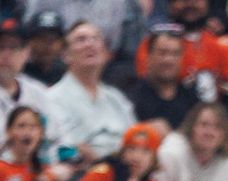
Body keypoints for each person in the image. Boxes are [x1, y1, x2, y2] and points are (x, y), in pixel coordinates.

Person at [47, 21, 136, 163]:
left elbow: (135, 140)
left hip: (124, 168)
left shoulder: (117, 98)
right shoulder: (53, 99)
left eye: (96, 39)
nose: (90, 44)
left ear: (106, 53)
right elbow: (65, 149)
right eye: (81, 40)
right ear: (65, 54)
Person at [134, 0, 221, 103]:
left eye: (197, 0)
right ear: (170, 5)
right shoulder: (152, 45)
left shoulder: (219, 45)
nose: (190, 4)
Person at [0, 15, 60, 153]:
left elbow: (56, 137)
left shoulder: (38, 92)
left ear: (26, 53)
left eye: (14, 48)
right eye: (1, 47)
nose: (6, 54)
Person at [0, 103, 69, 181]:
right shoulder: (2, 169)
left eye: (33, 127)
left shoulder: (48, 170)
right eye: (21, 126)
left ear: (41, 133)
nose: (27, 132)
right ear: (9, 131)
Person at [128, 27, 199, 129]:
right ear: (149, 57)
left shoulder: (192, 100)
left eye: (175, 54)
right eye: (162, 53)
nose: (168, 60)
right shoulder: (133, 98)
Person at [22, 10, 65, 86]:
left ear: (61, 43)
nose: (47, 45)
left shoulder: (68, 74)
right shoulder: (20, 73)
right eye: (41, 38)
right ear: (30, 42)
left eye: (53, 39)